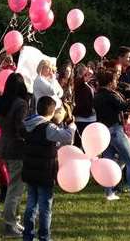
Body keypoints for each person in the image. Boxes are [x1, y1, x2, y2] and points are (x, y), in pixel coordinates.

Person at [22, 96, 76, 241]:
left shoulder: (28, 123)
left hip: (30, 168)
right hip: (45, 171)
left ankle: (27, 234)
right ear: (52, 112)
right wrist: (71, 124)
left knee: (31, 203)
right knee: (45, 206)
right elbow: (67, 137)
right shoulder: (48, 128)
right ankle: (44, 236)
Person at [93, 69, 130, 202]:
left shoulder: (98, 95)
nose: (116, 82)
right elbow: (127, 107)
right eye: (114, 80)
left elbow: (125, 95)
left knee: (110, 163)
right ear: (109, 82)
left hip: (105, 133)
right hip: (116, 131)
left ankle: (109, 193)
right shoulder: (110, 95)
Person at [0, 73, 30, 237]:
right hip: (17, 147)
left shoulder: (0, 102)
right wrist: (31, 135)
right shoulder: (20, 104)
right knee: (15, 189)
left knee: (14, 186)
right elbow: (20, 126)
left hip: (4, 145)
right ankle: (9, 224)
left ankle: (14, 220)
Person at [73, 65, 96, 148]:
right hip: (83, 118)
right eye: (87, 74)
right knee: (82, 144)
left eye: (90, 74)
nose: (90, 76)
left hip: (89, 117)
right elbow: (84, 103)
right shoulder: (79, 84)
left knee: (87, 144)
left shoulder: (88, 84)